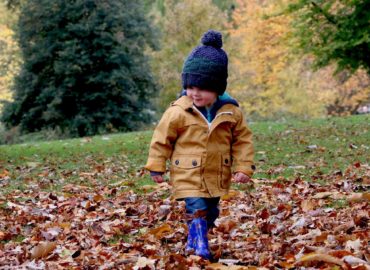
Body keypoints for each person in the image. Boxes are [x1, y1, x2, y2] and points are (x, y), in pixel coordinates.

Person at [145, 30, 255, 260]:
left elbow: (243, 141)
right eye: (190, 87)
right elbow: (162, 137)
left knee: (211, 211)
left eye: (202, 88)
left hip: (216, 174)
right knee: (197, 208)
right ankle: (201, 247)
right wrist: (157, 165)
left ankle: (193, 241)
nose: (195, 93)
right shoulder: (178, 111)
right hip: (187, 172)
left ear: (217, 88)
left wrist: (243, 167)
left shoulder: (231, 112)